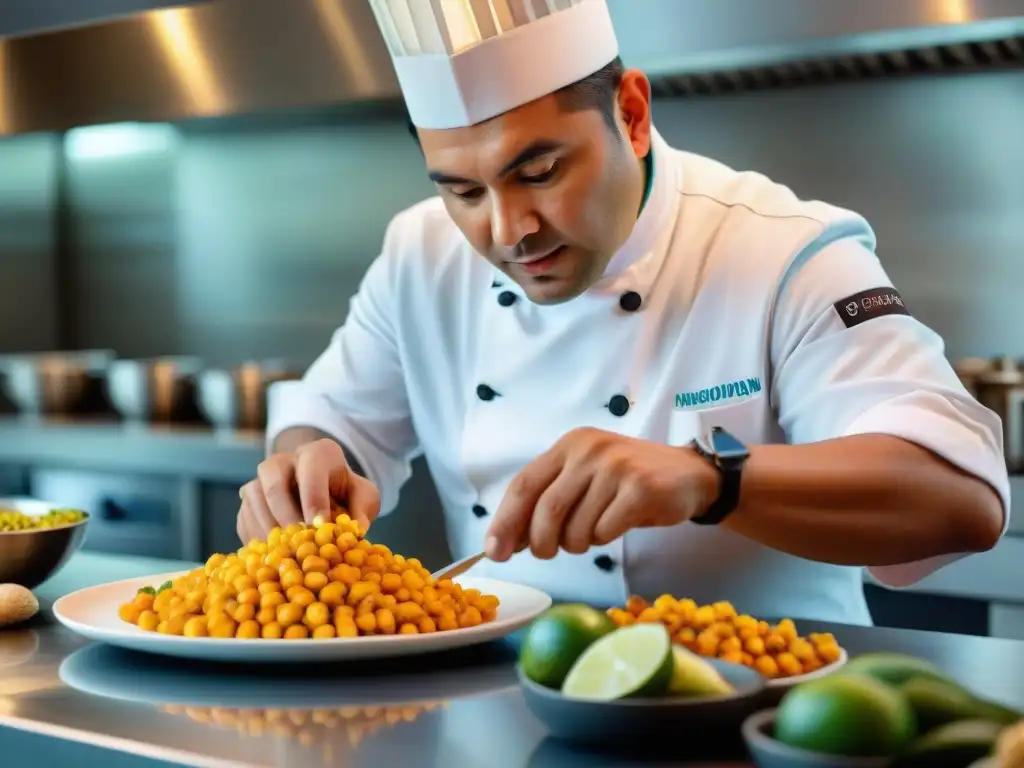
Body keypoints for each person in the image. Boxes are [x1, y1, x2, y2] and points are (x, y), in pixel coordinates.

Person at [237, 0, 1009, 624]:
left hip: (751, 711)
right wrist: (309, 466)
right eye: (462, 191)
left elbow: (959, 498)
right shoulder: (421, 252)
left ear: (632, 114)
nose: (507, 231)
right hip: (501, 699)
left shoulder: (784, 250)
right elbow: (332, 417)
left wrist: (710, 479)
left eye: (539, 171)